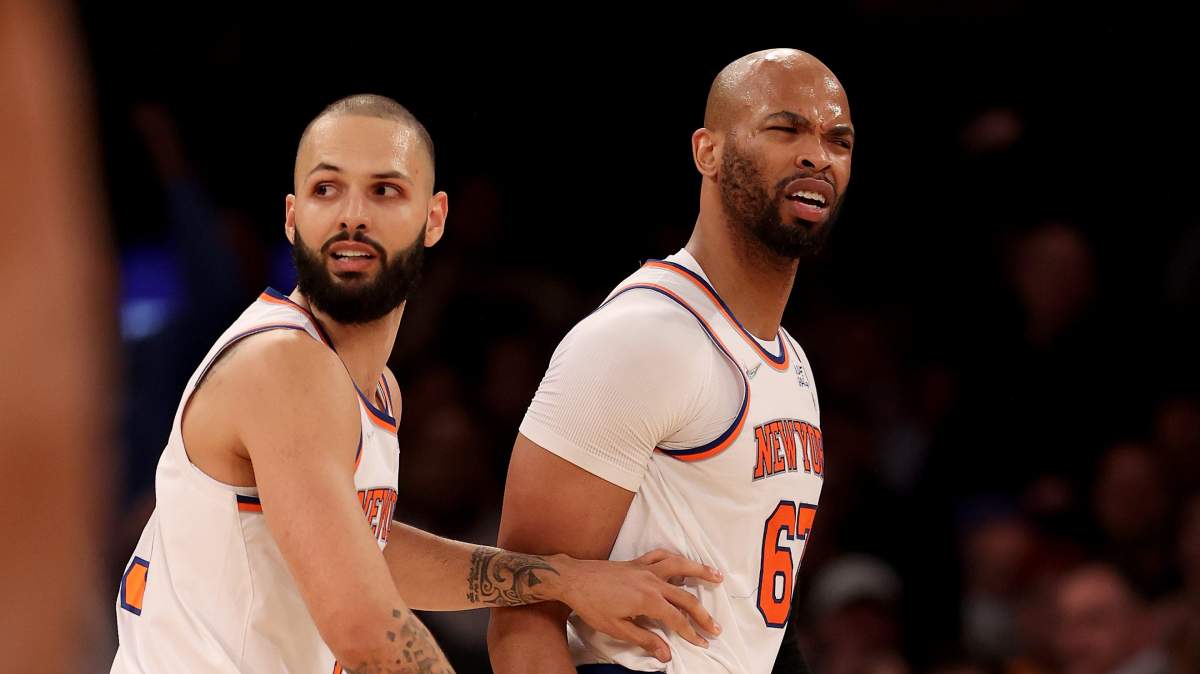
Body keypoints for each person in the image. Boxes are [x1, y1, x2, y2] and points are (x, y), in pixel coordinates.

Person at [111, 94, 720, 674]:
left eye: (385, 190)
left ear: (434, 218)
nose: (352, 214)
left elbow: (368, 554)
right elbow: (368, 629)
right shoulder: (282, 363)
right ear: (293, 219)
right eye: (326, 189)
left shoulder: (377, 388)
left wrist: (561, 578)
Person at [488, 48, 853, 673]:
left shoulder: (791, 361)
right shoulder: (643, 337)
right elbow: (520, 621)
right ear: (707, 152)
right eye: (785, 128)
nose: (817, 156)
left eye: (837, 140)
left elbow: (752, 623)